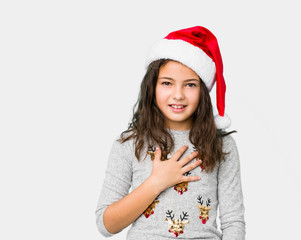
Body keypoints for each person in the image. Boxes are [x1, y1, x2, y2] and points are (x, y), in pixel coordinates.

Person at [95, 26, 246, 240]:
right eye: (167, 83)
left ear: (203, 90)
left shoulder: (222, 145)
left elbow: (233, 222)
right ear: (152, 87)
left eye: (190, 85)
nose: (178, 95)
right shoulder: (129, 144)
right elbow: (106, 225)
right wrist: (156, 182)